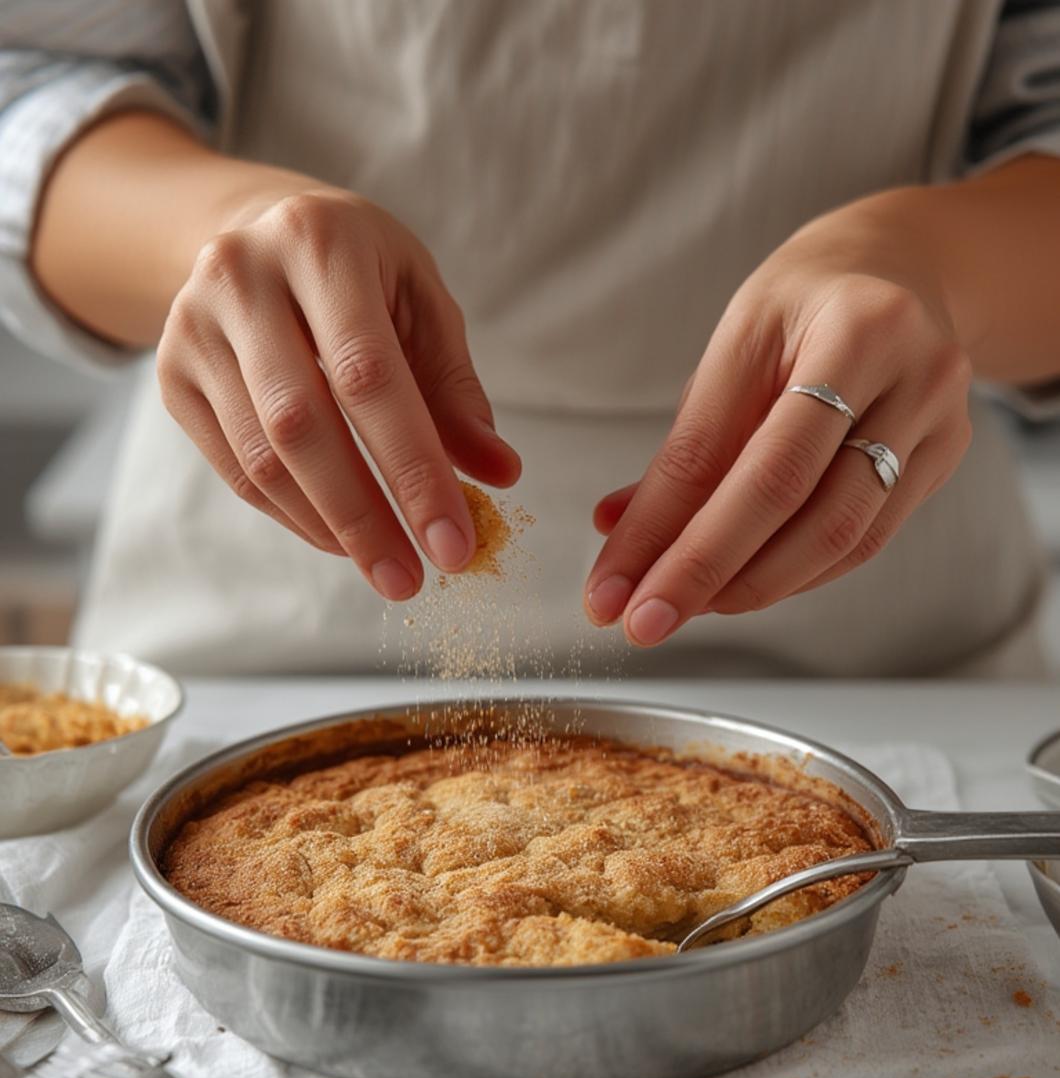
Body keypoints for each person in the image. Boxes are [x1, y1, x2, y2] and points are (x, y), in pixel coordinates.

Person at [2, 0, 1060, 677]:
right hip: (271, 611)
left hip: (881, 638)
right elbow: (31, 83)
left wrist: (925, 266)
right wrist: (213, 234)